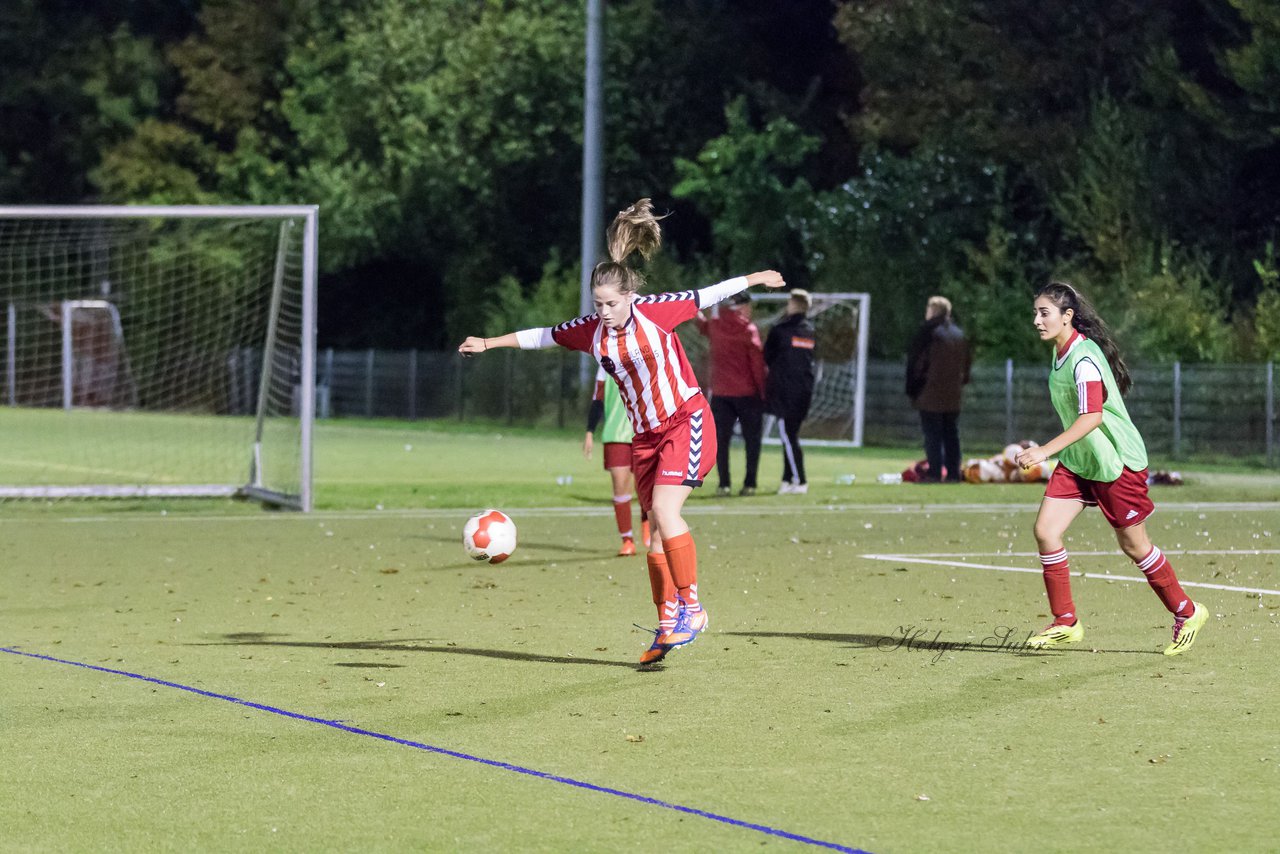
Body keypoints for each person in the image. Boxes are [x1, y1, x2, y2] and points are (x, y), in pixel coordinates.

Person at [458, 199, 785, 664]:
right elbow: (543, 335)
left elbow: (708, 293)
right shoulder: (591, 331)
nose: (606, 311)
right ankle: (667, 621)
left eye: (612, 303)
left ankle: (693, 608)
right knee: (653, 536)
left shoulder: (657, 310)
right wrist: (489, 343)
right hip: (645, 439)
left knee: (667, 513)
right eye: (599, 304)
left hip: (687, 421)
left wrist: (755, 278)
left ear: (630, 297)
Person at [1014, 281, 1206, 655]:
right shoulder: (1061, 352)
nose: (1036, 320)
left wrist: (1044, 452)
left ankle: (1188, 611)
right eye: (1035, 313)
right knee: (1046, 531)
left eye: (1044, 313)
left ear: (1067, 317)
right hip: (1082, 460)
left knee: (1134, 546)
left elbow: (1091, 417)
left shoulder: (1083, 361)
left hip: (1115, 462)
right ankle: (1066, 621)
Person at [694, 290, 767, 496]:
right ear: (743, 307)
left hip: (720, 393)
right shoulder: (748, 329)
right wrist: (763, 392)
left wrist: (695, 309)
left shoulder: (716, 326)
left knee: (721, 441)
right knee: (752, 440)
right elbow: (757, 365)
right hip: (747, 393)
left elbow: (701, 325)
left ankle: (724, 484)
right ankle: (750, 483)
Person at [583, 365, 650, 556]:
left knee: (645, 487)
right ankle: (627, 540)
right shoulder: (605, 363)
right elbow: (597, 399)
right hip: (615, 434)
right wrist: (589, 432)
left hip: (644, 432)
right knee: (620, 487)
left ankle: (647, 522)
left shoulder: (644, 358)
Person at [905, 295, 971, 483]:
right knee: (952, 434)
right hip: (953, 394)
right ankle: (953, 473)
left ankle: (934, 473)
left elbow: (918, 363)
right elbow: (966, 366)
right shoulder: (959, 335)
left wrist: (914, 388)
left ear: (933, 311)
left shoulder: (928, 333)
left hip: (930, 393)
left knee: (932, 435)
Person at [764, 289, 816, 494]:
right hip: (805, 391)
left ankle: (800, 480)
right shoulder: (810, 331)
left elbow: (767, 356)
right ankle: (787, 480)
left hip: (785, 391)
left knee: (788, 436)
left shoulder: (780, 330)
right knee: (790, 434)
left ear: (792, 305)